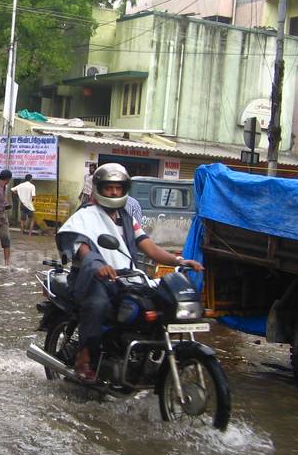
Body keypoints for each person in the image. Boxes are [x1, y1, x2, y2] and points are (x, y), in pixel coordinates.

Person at [56, 163, 204, 381]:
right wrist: (97, 265)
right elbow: (82, 247)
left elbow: (149, 247)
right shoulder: (85, 215)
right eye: (109, 188)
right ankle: (84, 358)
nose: (114, 192)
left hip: (124, 277)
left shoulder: (127, 219)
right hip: (91, 277)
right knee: (98, 305)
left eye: (118, 188)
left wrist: (179, 260)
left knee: (155, 303)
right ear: (99, 188)